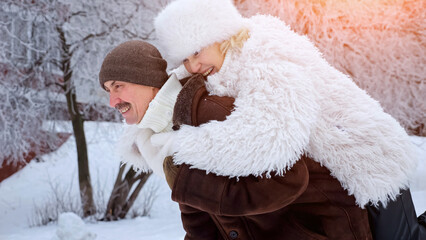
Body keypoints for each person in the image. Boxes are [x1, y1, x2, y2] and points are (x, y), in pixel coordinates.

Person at [153, 0, 425, 239]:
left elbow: (270, 141)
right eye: (185, 59)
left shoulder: (268, 63)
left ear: (221, 36)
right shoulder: (230, 65)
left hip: (372, 159)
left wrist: (182, 147)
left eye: (197, 53)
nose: (193, 67)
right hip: (343, 171)